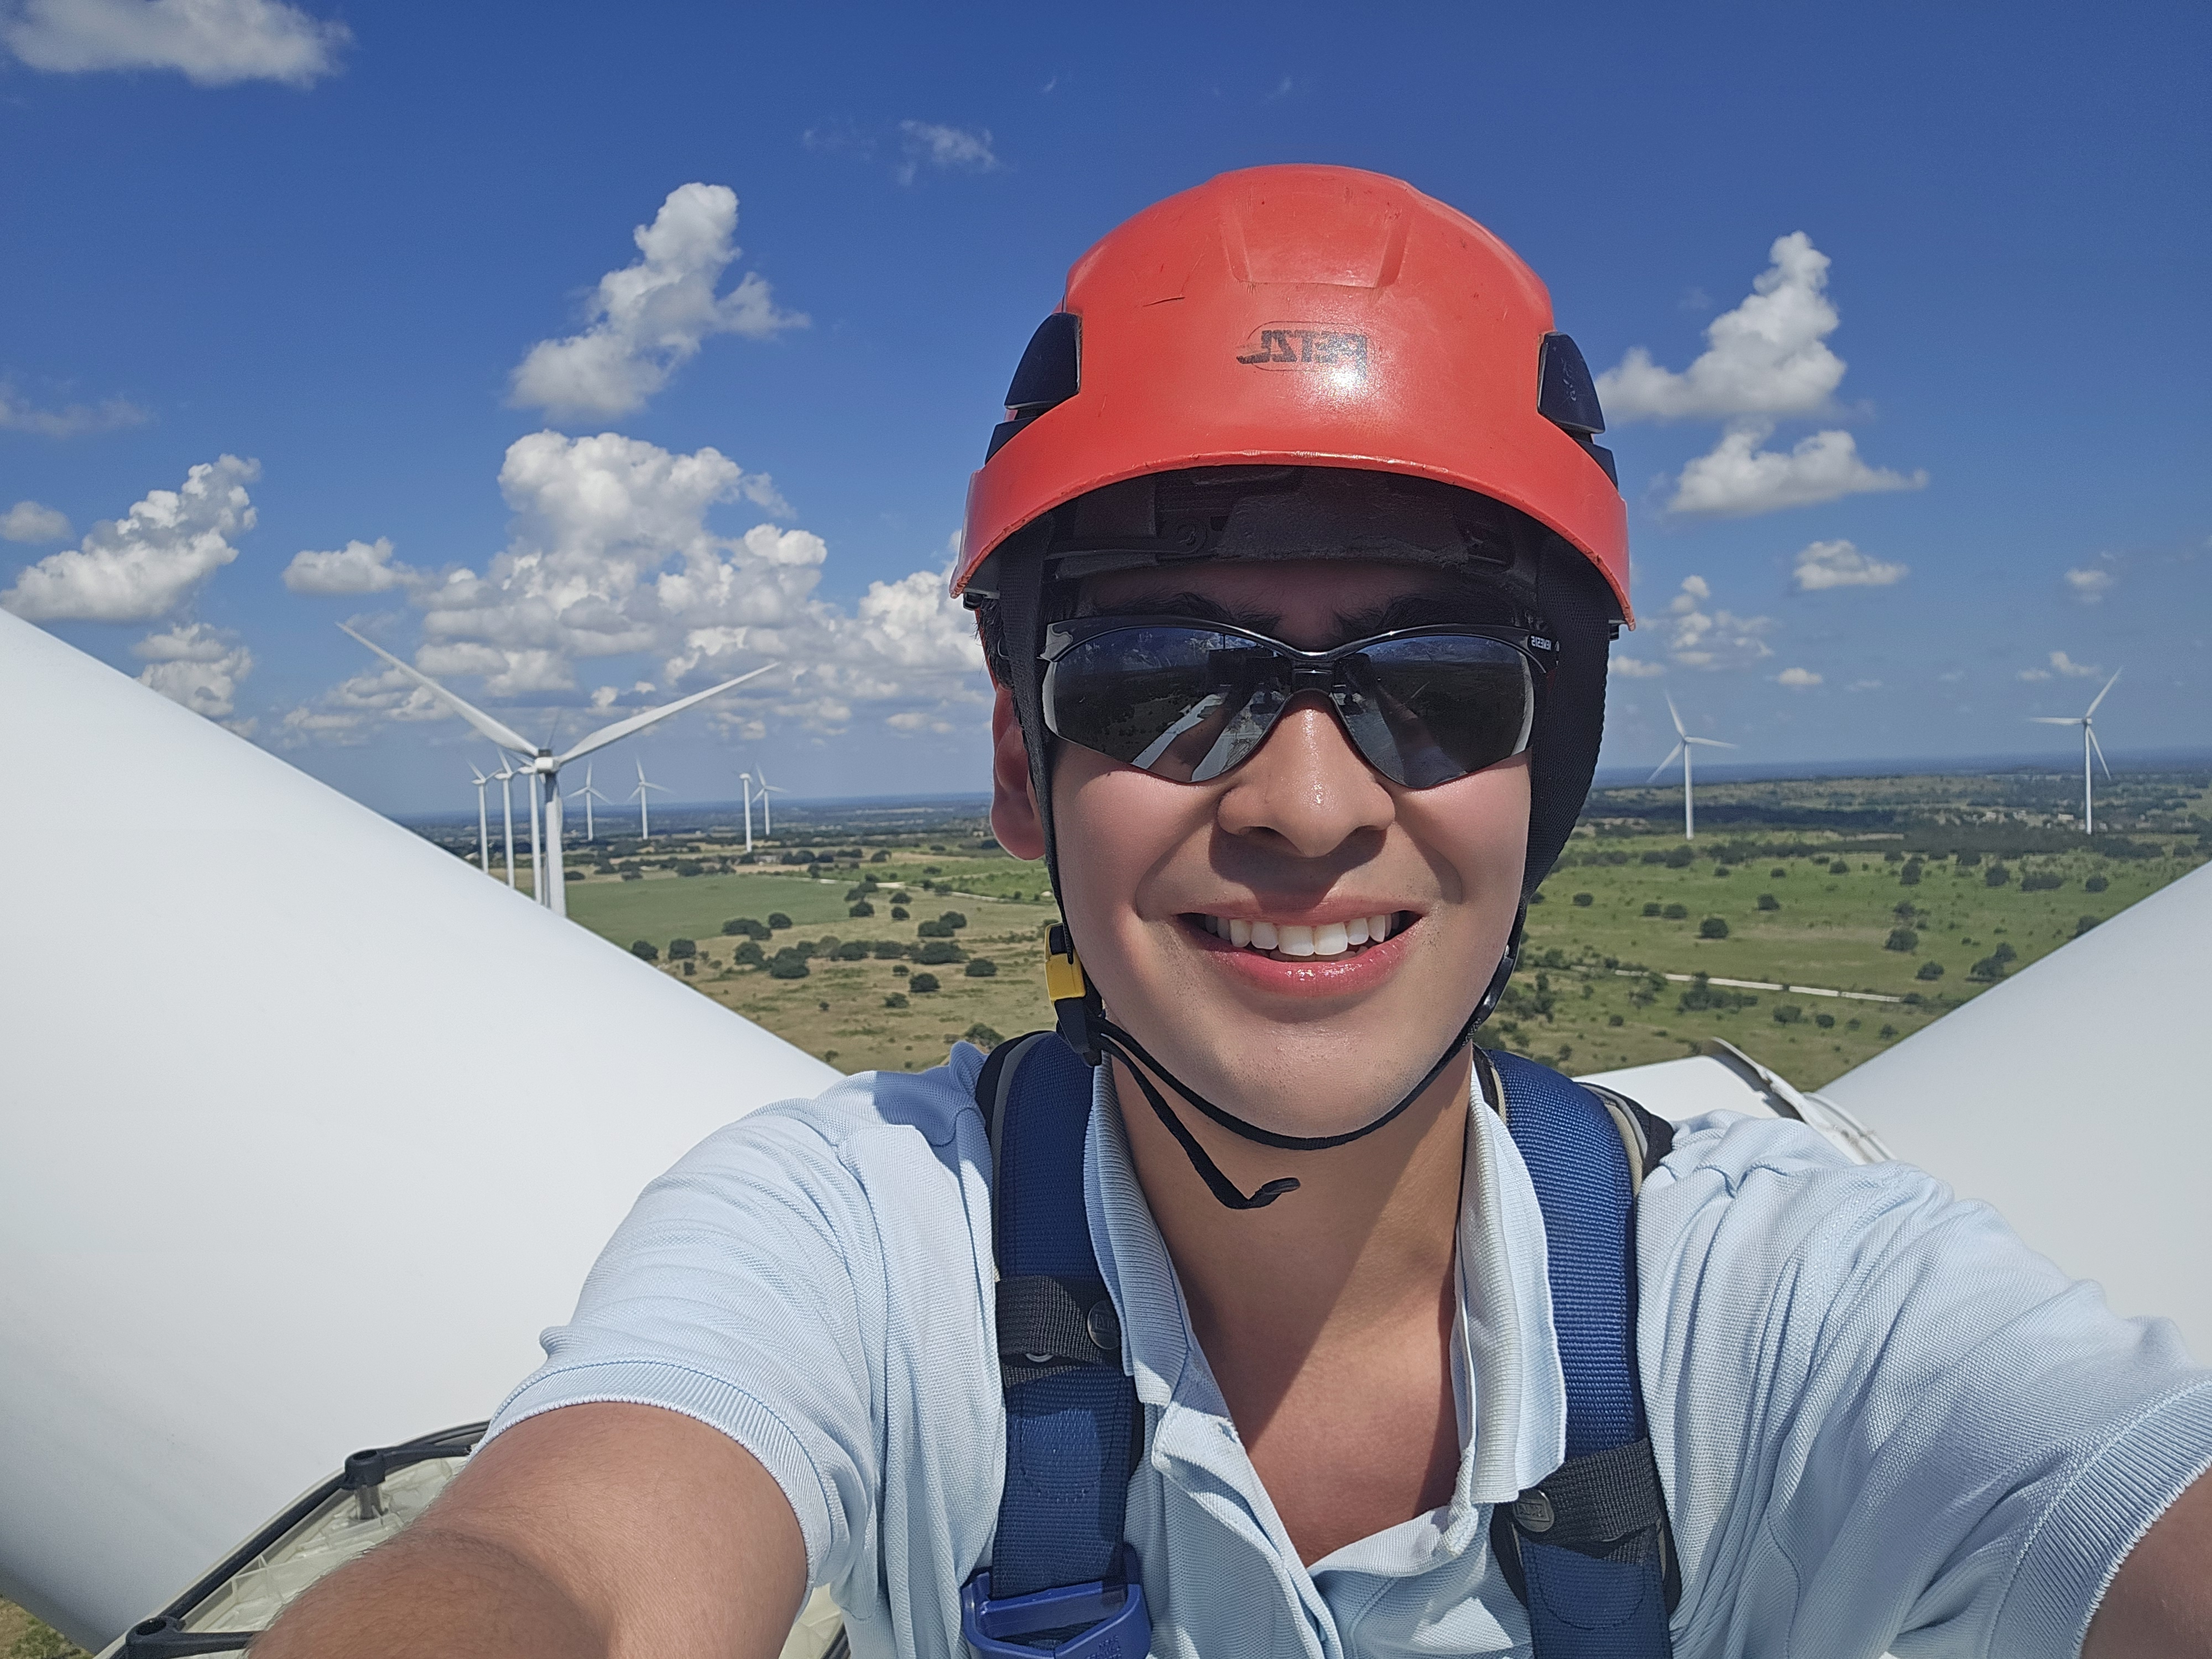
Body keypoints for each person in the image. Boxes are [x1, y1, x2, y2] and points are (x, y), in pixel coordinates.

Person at [259, 166, 2212, 1659]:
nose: (1301, 803)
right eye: (1157, 683)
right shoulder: (851, 1242)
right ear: (1026, 772)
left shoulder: (1780, 1298)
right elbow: (551, 1567)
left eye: (1444, 688)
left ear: (1559, 781)